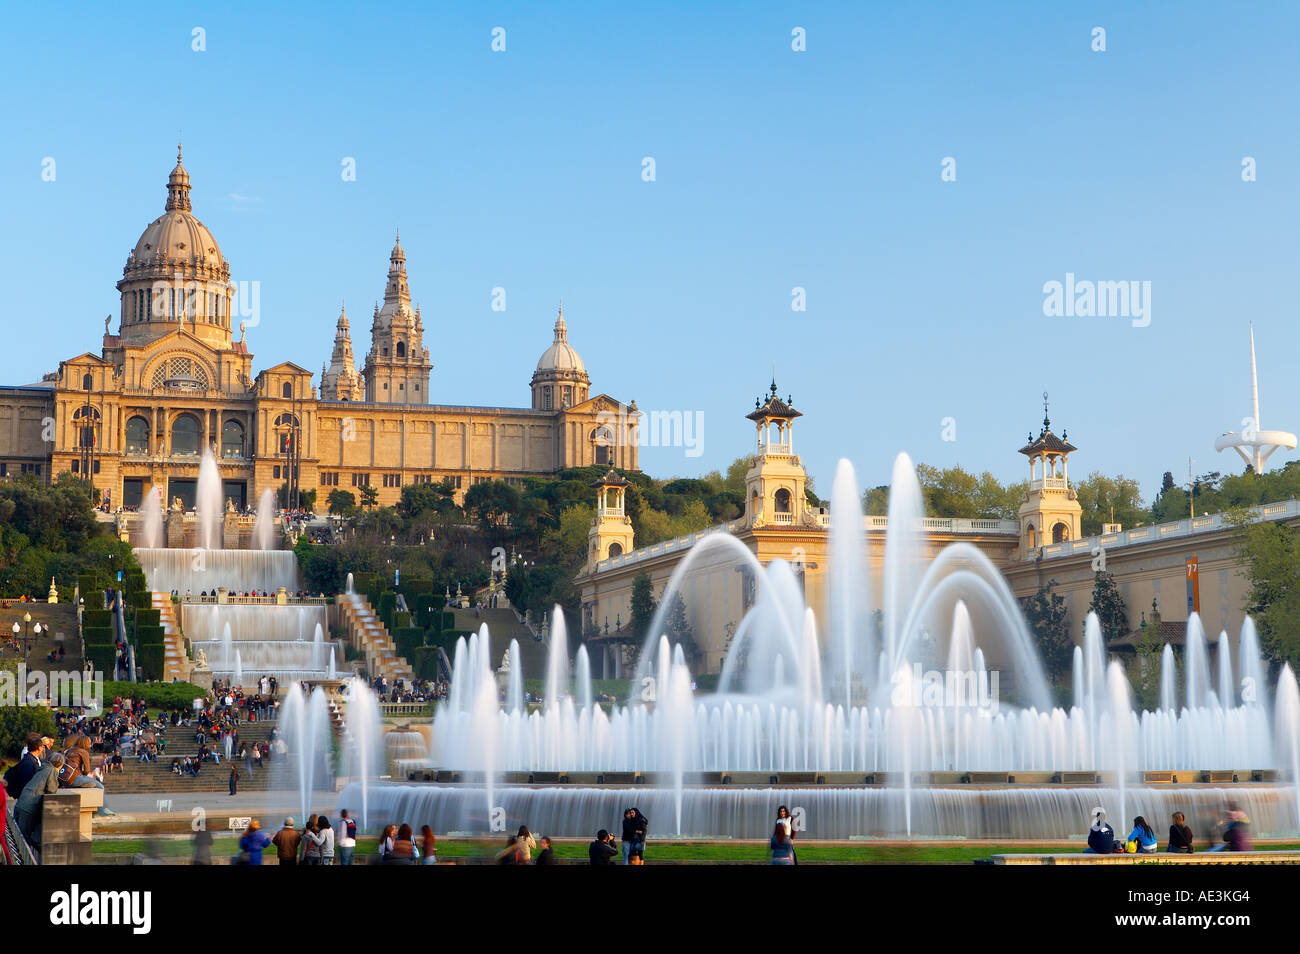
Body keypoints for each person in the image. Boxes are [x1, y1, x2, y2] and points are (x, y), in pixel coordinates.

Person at [15, 753, 63, 844]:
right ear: (60, 764)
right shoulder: (52, 770)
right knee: (22, 842)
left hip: (22, 803)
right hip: (29, 807)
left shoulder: (44, 767)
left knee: (17, 838)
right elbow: (52, 790)